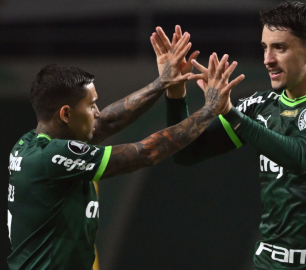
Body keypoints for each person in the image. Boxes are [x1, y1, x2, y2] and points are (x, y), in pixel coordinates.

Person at [7, 29, 244, 270]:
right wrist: (211, 109)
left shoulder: (31, 143)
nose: (97, 112)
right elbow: (146, 153)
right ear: (66, 113)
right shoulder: (53, 157)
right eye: (91, 106)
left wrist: (162, 82)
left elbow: (106, 123)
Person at [162, 2, 306, 269]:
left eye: (280, 48)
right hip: (270, 264)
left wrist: (229, 112)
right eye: (265, 47)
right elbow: (185, 152)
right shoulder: (260, 106)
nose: (267, 59)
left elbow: (301, 157)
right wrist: (175, 92)